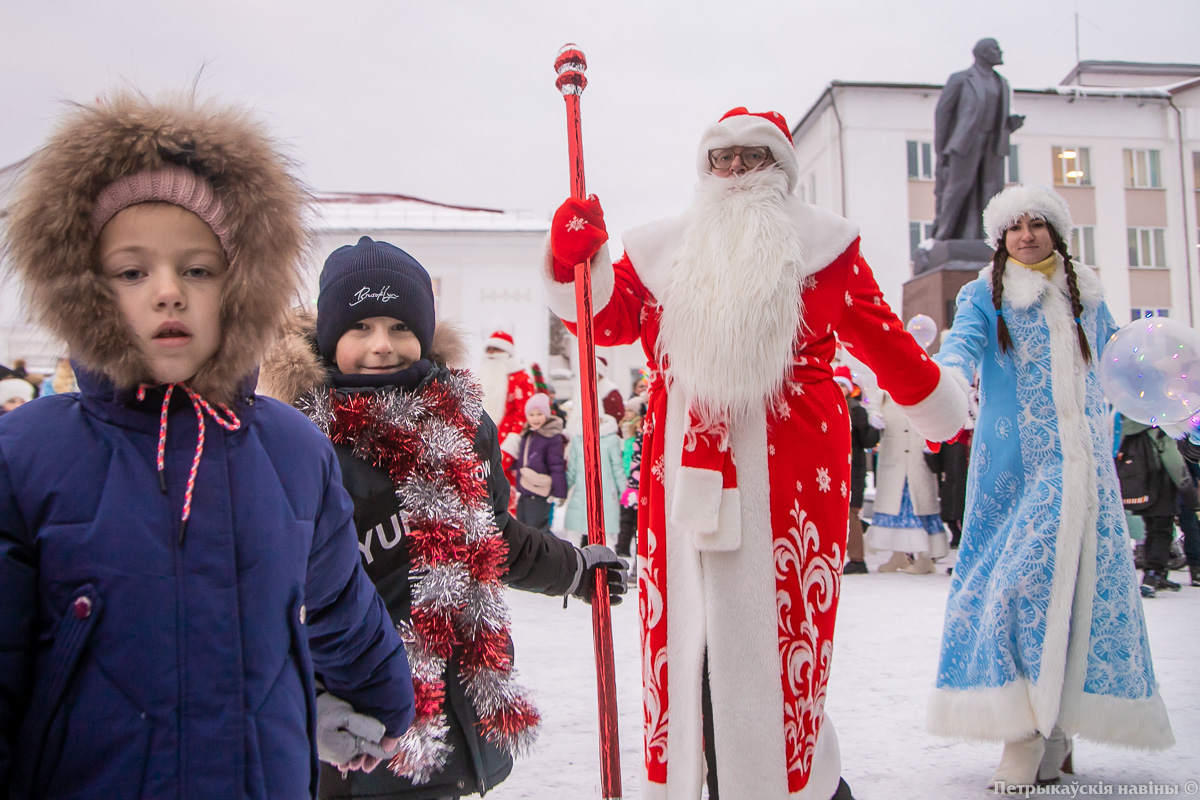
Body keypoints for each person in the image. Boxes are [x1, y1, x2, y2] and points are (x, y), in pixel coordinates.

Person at [542, 107, 968, 800]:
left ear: (781, 169)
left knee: (780, 638)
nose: (736, 171)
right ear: (705, 169)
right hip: (681, 468)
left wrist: (939, 408)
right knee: (685, 642)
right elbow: (604, 319)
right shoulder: (661, 251)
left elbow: (884, 340)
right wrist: (573, 258)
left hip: (792, 466)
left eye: (753, 157)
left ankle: (802, 786)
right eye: (723, 159)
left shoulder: (826, 250)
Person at [0, 90, 416, 798]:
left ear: (242, 284)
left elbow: (339, 602)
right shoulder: (25, 456)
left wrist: (382, 699)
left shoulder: (290, 452)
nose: (169, 292)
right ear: (86, 288)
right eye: (132, 271)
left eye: (197, 269)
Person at [257, 236, 628, 799]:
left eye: (400, 327)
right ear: (331, 340)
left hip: (457, 714)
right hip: (357, 738)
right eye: (360, 327)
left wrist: (574, 570)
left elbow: (493, 535)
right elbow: (267, 597)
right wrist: (311, 702)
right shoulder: (301, 442)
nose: (382, 345)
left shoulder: (459, 426)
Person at [929, 185, 1174, 787]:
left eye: (1037, 225)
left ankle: (1056, 732)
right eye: (1014, 227)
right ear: (1000, 237)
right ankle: (1023, 731)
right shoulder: (981, 292)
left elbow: (1117, 362)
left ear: (1057, 233)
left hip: (1086, 469)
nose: (1026, 235)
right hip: (1013, 469)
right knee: (1015, 586)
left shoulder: (1087, 292)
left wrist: (1165, 369)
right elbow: (961, 344)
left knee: (1083, 589)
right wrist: (943, 379)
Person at [931, 38, 1025, 242]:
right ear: (982, 53)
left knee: (992, 192)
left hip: (993, 143)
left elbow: (998, 114)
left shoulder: (1002, 83)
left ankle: (989, 236)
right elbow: (943, 114)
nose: (1000, 52)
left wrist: (1010, 124)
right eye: (995, 49)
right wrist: (942, 150)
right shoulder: (961, 79)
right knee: (957, 189)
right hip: (965, 144)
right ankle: (943, 234)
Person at [865, 390, 949, 574]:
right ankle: (898, 555)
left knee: (918, 508)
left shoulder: (924, 385)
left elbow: (938, 414)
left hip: (918, 459)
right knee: (894, 509)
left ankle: (925, 558)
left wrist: (932, 440)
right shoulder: (884, 388)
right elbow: (873, 405)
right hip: (893, 459)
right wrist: (873, 416)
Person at [1117, 417, 1187, 597]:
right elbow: (1174, 462)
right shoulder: (1159, 431)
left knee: (1152, 531)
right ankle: (1152, 575)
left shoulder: (1130, 429)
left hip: (1141, 487)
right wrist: (1188, 489)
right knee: (1162, 533)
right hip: (1161, 487)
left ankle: (1157, 573)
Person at [563, 398, 626, 548]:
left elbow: (617, 468)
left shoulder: (611, 440)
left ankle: (609, 568)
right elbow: (572, 468)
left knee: (605, 533)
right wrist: (561, 490)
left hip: (604, 495)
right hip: (581, 495)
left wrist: (624, 492)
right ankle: (575, 568)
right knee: (573, 534)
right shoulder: (578, 440)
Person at [834, 367, 879, 574]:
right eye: (838, 384)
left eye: (843, 385)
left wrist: (876, 428)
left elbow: (866, 441)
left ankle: (857, 558)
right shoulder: (831, 407)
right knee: (840, 514)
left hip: (854, 469)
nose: (840, 388)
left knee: (851, 513)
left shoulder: (857, 410)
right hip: (836, 467)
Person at [479, 329, 535, 477]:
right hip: (482, 448)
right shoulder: (481, 377)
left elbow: (524, 417)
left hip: (508, 453)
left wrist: (508, 450)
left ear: (506, 352)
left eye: (495, 349)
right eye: (488, 349)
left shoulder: (521, 379)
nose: (491, 353)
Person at [512, 392, 568, 534]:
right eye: (531, 414)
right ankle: (529, 555)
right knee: (523, 527)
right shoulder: (528, 434)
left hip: (540, 492)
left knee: (538, 531)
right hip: (525, 490)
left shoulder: (551, 437)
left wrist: (559, 491)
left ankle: (552, 555)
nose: (535, 418)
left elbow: (556, 465)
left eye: (539, 414)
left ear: (546, 415)